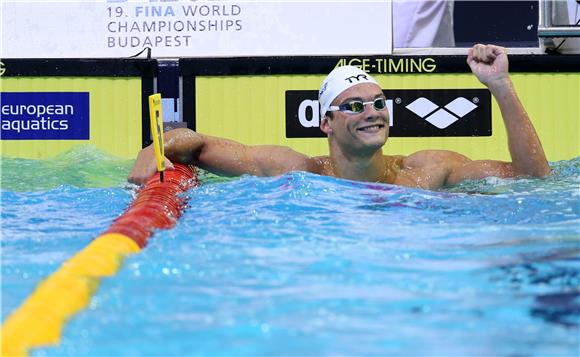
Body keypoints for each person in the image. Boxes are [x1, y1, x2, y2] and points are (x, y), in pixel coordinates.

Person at [128, 44, 550, 190]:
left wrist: (501, 87)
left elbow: (534, 179)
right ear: (325, 122)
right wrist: (156, 147)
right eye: (354, 106)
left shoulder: (427, 171)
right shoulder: (299, 171)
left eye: (379, 102)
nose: (372, 112)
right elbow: (195, 142)